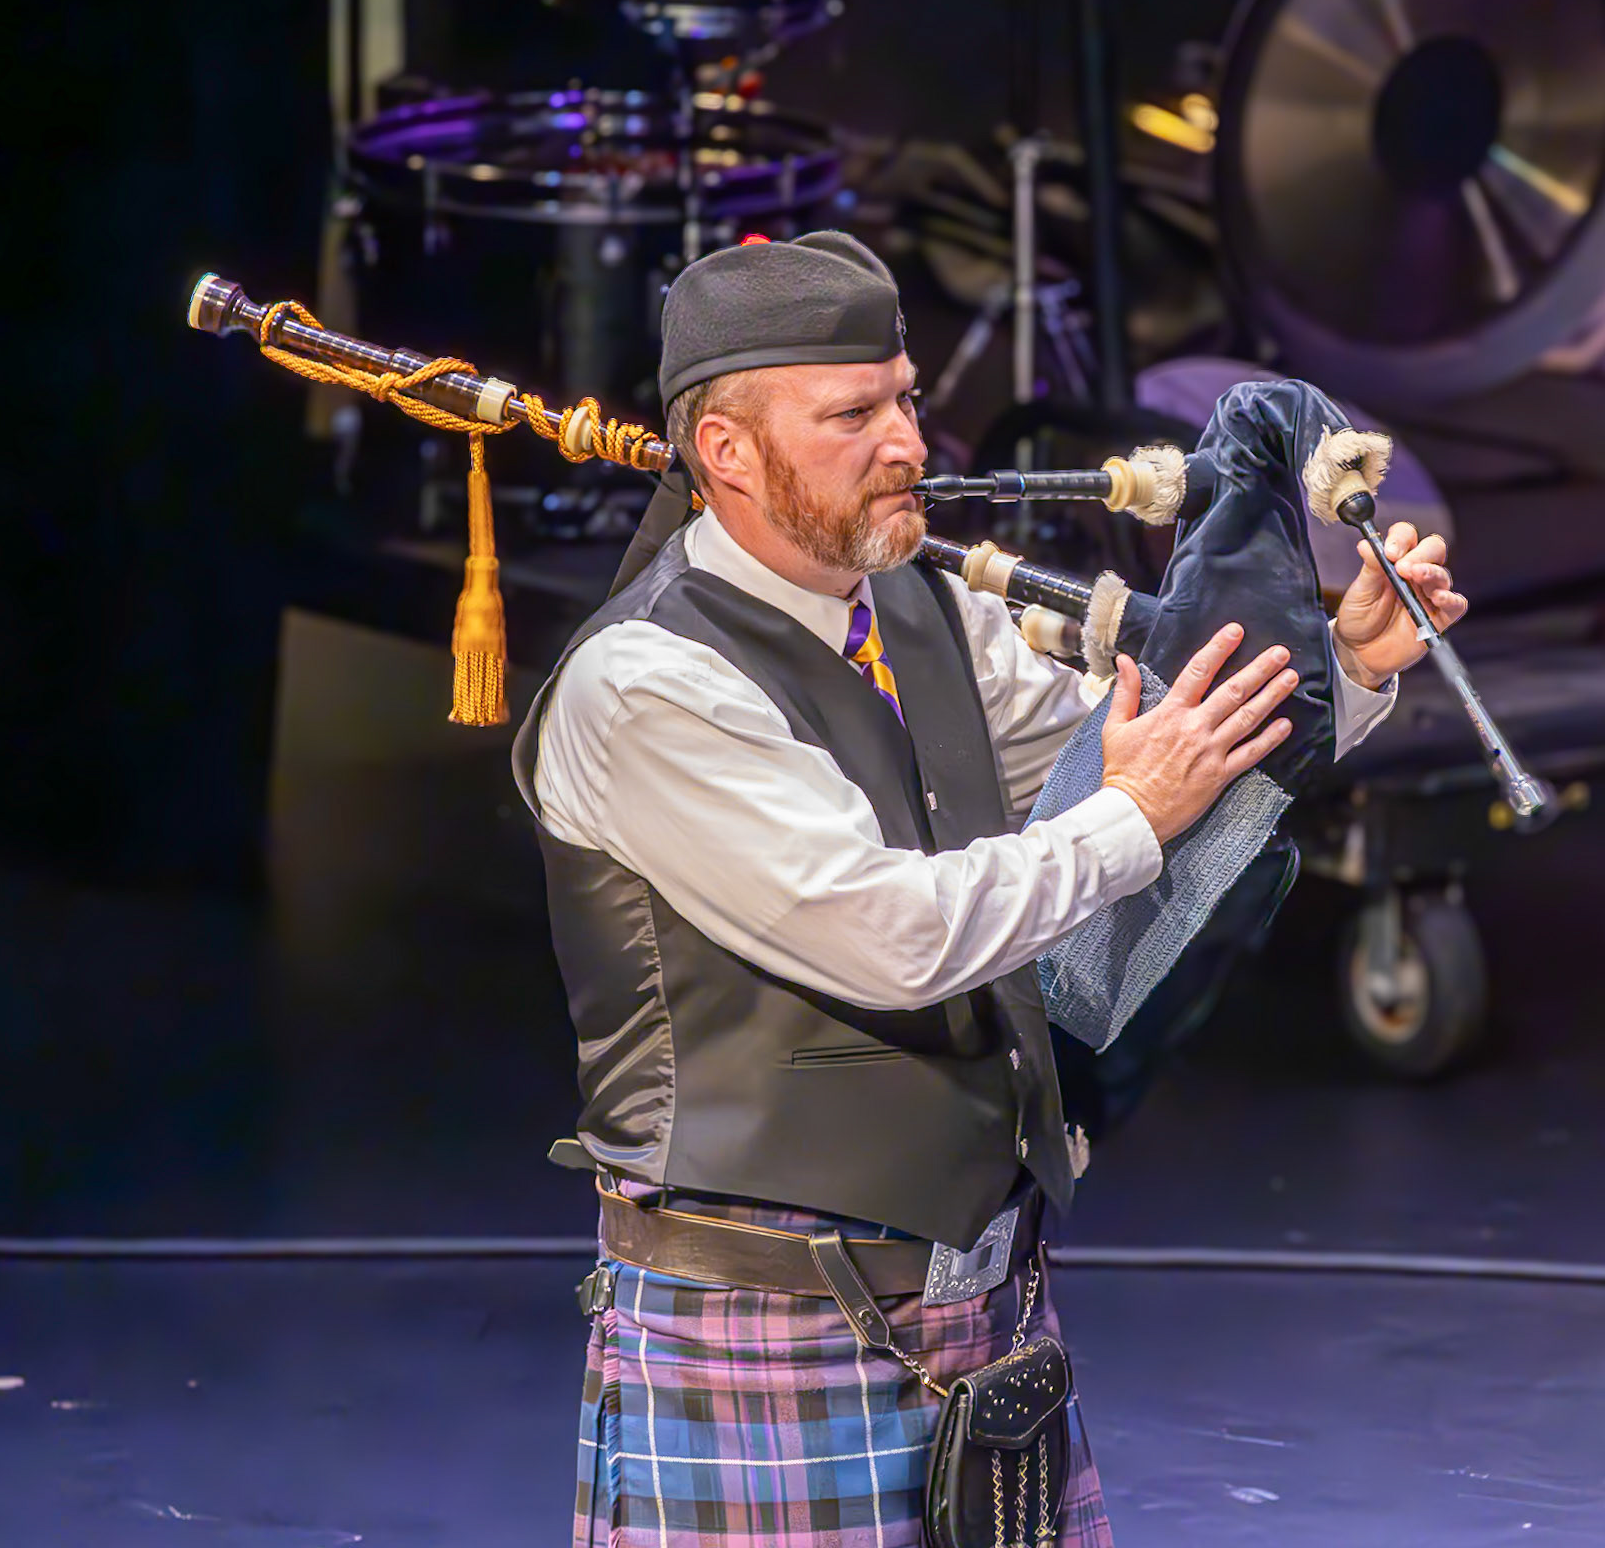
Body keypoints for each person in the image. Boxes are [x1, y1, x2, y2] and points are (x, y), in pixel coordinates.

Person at [512, 232, 1467, 1547]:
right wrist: (1135, 810)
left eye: (904, 397)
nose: (905, 440)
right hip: (764, 1327)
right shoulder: (647, 686)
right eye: (851, 415)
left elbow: (1147, 745)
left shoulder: (925, 616)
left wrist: (1344, 666)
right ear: (726, 452)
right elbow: (895, 935)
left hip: (985, 1315)